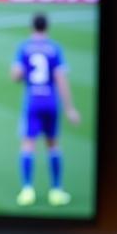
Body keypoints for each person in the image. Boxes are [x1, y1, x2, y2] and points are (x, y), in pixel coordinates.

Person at [11, 13, 81, 206]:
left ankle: (27, 190)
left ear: (31, 27)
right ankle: (56, 191)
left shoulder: (24, 47)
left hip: (32, 100)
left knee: (28, 145)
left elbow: (15, 75)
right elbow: (61, 79)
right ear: (47, 27)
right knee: (53, 145)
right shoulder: (54, 48)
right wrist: (70, 108)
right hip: (51, 101)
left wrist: (24, 73)